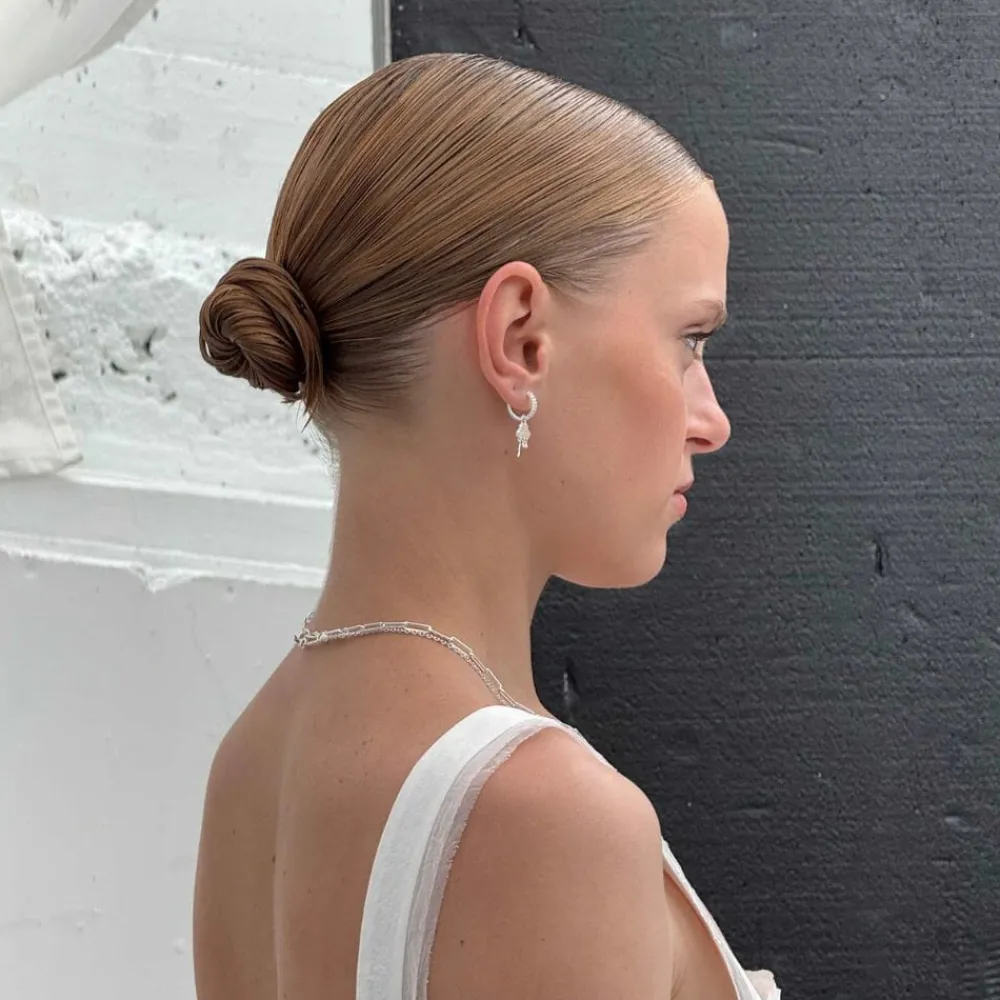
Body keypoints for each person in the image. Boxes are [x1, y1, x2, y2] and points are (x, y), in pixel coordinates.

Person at [192, 52, 781, 1000]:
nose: (711, 420)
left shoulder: (250, 765)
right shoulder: (551, 814)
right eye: (688, 340)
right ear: (520, 339)